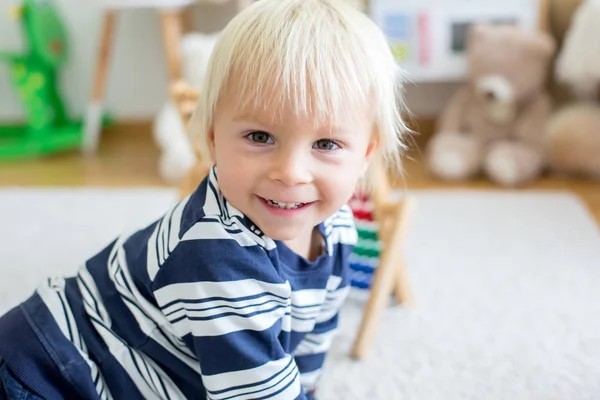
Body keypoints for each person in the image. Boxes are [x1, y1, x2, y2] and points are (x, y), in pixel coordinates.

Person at [0, 0, 408, 398]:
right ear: (212, 139)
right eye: (260, 137)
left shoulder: (337, 228)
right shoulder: (215, 257)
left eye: (326, 143)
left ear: (365, 156)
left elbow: (312, 340)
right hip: (45, 372)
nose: (291, 172)